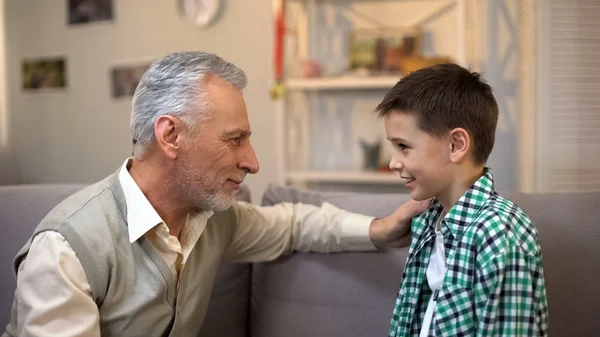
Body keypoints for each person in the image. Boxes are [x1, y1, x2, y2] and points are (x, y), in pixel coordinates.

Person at [3, 52, 429, 337]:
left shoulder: (210, 218)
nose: (252, 162)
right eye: (234, 139)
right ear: (171, 135)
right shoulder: (66, 252)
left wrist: (380, 229)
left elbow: (294, 224)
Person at [378, 64, 548, 336]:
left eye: (403, 147)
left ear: (456, 145)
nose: (393, 162)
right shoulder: (426, 219)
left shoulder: (498, 234)